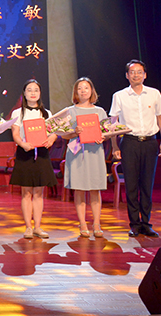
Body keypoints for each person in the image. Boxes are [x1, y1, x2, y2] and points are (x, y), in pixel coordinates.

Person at [110, 59, 161, 238]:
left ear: (145, 75)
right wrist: (114, 146)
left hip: (150, 142)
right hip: (129, 142)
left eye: (139, 72)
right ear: (127, 75)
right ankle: (134, 224)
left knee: (147, 184)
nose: (136, 75)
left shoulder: (154, 94)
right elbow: (113, 123)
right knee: (131, 185)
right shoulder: (119, 96)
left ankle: (146, 223)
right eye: (132, 72)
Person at [10, 79, 58, 239]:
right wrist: (22, 144)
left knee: (38, 192)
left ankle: (38, 227)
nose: (32, 93)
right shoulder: (18, 113)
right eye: (29, 90)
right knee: (26, 192)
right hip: (25, 152)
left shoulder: (47, 113)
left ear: (40, 93)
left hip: (42, 153)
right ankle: (28, 227)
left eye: (36, 90)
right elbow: (15, 134)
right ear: (24, 93)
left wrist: (51, 139)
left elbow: (54, 131)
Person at [61, 77, 107, 238]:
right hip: (77, 153)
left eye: (86, 88)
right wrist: (74, 132)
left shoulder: (100, 111)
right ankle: (82, 223)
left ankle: (97, 224)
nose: (83, 91)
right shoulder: (69, 111)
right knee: (79, 189)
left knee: (95, 188)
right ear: (76, 92)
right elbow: (63, 135)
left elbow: (107, 131)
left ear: (91, 91)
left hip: (95, 152)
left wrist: (103, 137)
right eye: (80, 88)